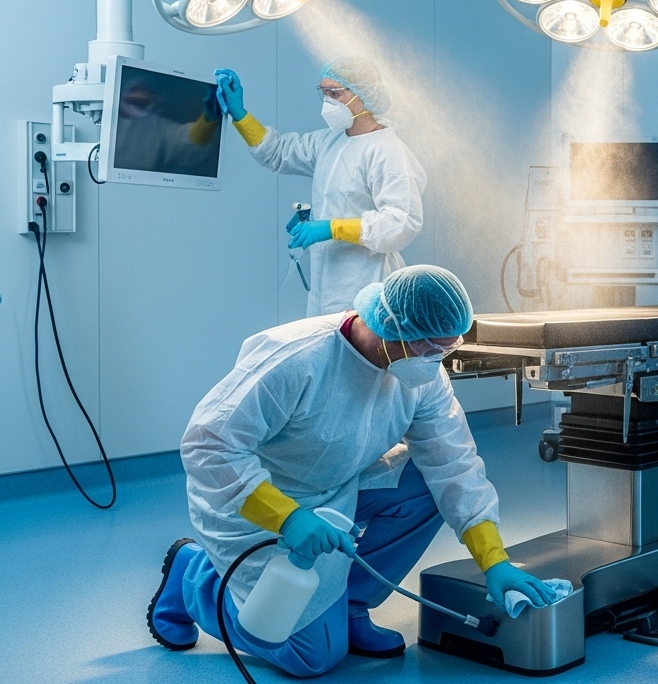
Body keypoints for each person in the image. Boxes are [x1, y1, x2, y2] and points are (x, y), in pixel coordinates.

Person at [146, 265, 554, 676]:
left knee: (430, 482)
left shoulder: (419, 374)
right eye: (433, 349)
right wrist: (286, 517)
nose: (436, 363)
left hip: (339, 487)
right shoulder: (298, 359)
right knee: (312, 657)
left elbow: (454, 464)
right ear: (396, 330)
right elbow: (207, 446)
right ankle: (193, 579)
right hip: (257, 502)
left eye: (446, 351)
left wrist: (494, 561)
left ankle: (350, 604)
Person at [215, 58, 427, 317]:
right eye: (323, 92)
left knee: (358, 339)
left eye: (335, 93)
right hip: (326, 286)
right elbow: (279, 152)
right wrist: (240, 114)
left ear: (362, 94)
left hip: (366, 285)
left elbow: (401, 222)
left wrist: (331, 228)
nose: (328, 101)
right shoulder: (330, 141)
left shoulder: (386, 150)